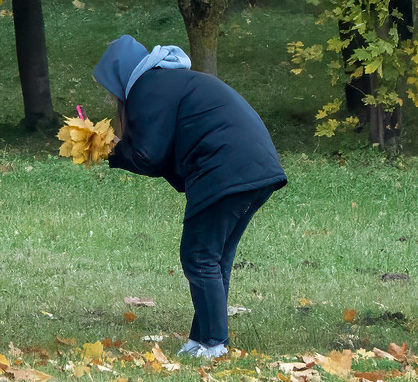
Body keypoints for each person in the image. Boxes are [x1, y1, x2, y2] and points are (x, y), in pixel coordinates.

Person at [94, 34, 285, 360]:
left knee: (199, 256)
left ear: (119, 75)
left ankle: (213, 344)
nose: (112, 95)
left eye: (110, 87)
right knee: (214, 258)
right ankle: (202, 341)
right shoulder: (167, 81)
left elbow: (148, 155)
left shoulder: (147, 89)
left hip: (225, 168)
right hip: (255, 166)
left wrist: (111, 151)